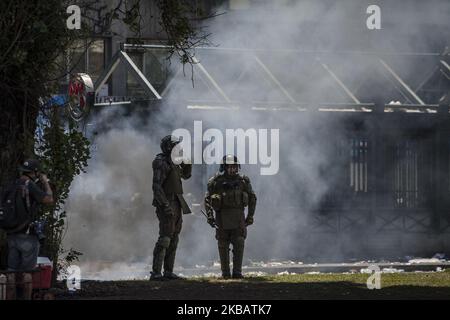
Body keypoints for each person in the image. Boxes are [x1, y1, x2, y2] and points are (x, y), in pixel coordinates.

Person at [6, 159, 54, 299]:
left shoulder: (12, 184)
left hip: (11, 235)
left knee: (11, 273)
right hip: (27, 236)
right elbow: (49, 199)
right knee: (27, 273)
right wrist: (45, 182)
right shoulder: (30, 185)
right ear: (35, 173)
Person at [204, 155, 256, 279]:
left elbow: (252, 198)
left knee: (239, 243)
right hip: (221, 217)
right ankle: (225, 272)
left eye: (234, 167)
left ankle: (237, 272)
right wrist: (210, 216)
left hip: (238, 217)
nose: (233, 169)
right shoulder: (216, 181)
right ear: (224, 167)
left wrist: (250, 216)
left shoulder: (243, 181)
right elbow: (207, 199)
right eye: (230, 167)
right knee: (223, 245)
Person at [150, 135, 192, 281]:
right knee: (165, 238)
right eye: (176, 146)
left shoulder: (174, 162)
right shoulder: (161, 162)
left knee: (174, 237)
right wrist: (165, 205)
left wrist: (187, 161)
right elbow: (156, 186)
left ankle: (168, 271)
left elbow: (186, 175)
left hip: (177, 202)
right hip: (167, 202)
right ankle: (156, 272)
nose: (179, 149)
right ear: (168, 147)